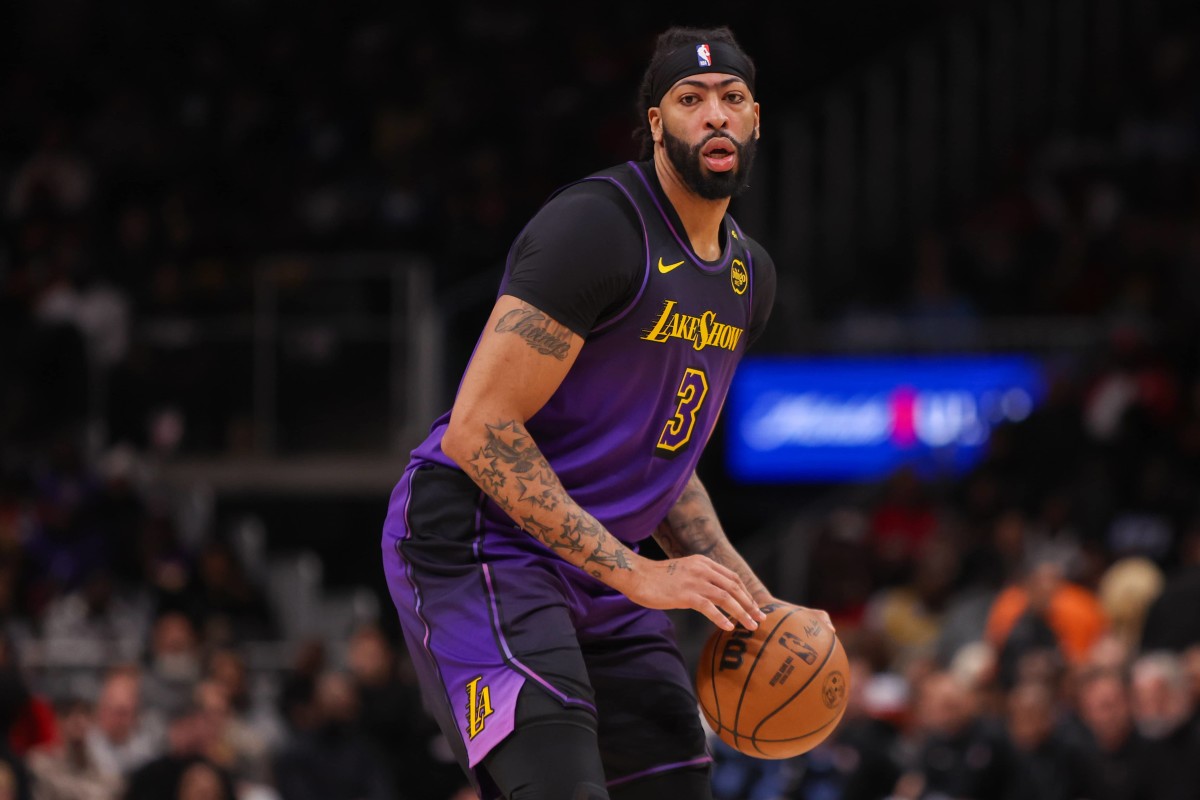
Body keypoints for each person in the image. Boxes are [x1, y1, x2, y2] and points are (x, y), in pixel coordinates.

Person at [381, 24, 829, 800]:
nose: (714, 115)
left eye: (731, 98)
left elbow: (666, 469)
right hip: (480, 542)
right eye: (690, 100)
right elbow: (478, 427)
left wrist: (758, 605)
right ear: (656, 123)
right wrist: (640, 577)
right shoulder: (598, 228)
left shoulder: (748, 279)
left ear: (756, 119)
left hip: (601, 563)